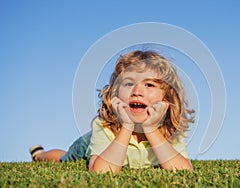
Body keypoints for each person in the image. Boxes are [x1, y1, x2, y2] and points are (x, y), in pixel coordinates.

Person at [29, 50, 195, 173]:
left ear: (167, 99)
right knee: (63, 158)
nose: (137, 91)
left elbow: (184, 172)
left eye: (149, 85)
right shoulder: (103, 126)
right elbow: (100, 171)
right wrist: (127, 126)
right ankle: (40, 155)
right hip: (87, 145)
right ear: (115, 94)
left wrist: (151, 129)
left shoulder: (171, 130)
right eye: (128, 84)